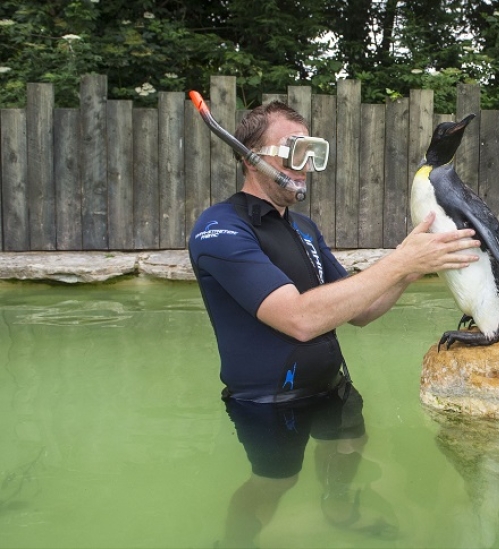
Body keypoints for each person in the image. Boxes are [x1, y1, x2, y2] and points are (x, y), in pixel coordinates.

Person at [188, 100, 479, 546]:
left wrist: (408, 269)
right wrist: (400, 261)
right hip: (269, 401)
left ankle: (337, 506)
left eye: (312, 152)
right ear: (252, 157)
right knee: (275, 484)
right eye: (294, 150)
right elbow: (300, 319)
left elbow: (359, 309)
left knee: (349, 445)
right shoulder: (220, 229)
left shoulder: (303, 228)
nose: (305, 165)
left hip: (331, 385)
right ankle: (233, 542)